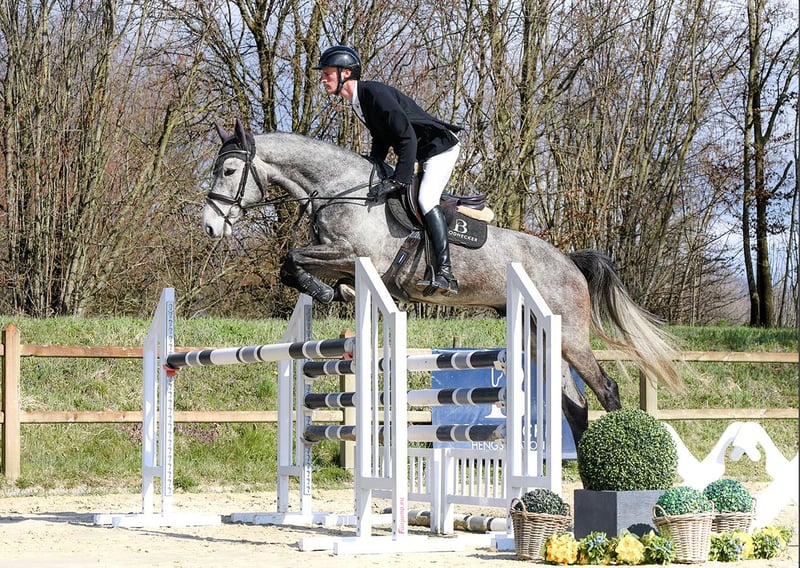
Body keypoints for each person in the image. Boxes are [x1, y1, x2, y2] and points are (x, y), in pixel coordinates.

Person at [314, 45, 462, 296]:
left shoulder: (375, 94)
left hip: (440, 149)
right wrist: (373, 165)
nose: (323, 79)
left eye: (327, 74)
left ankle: (446, 272)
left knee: (426, 199)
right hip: (421, 151)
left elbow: (407, 138)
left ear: (345, 73)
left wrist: (400, 179)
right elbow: (382, 138)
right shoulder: (359, 101)